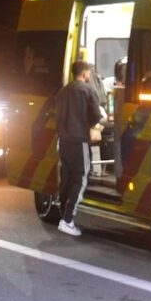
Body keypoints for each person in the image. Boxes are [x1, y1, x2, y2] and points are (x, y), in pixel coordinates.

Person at [54, 60, 105, 236]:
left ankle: (62, 214)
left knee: (66, 177)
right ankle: (67, 220)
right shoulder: (87, 90)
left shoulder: (62, 92)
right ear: (84, 74)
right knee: (81, 177)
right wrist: (89, 126)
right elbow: (97, 115)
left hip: (63, 140)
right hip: (78, 141)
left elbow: (57, 116)